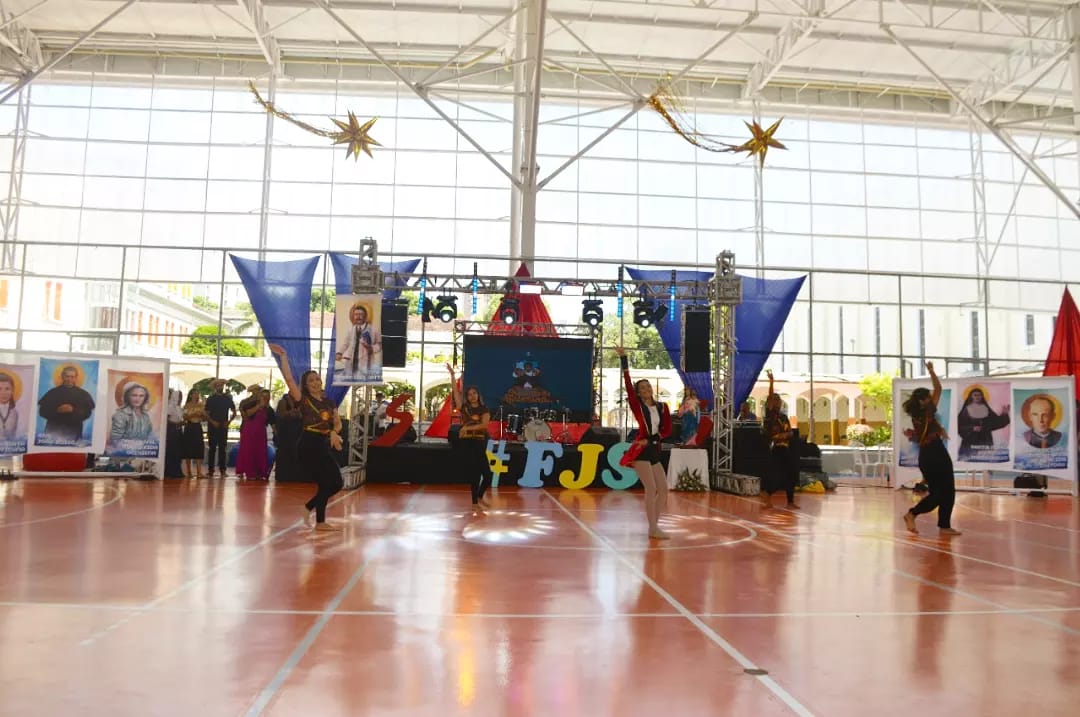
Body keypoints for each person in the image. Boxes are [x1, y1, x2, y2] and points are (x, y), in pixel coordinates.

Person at [270, 343, 343, 531]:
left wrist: (334, 432)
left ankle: (309, 509)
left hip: (322, 443)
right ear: (306, 385)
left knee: (336, 483)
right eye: (311, 380)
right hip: (308, 444)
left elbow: (337, 423)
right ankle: (319, 521)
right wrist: (283, 356)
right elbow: (288, 379)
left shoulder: (329, 402)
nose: (316, 382)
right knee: (327, 483)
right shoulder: (303, 400)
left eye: (317, 379)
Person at [616, 346, 671, 539]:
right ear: (638, 393)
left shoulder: (662, 407)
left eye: (648, 387)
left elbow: (667, 430)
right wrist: (624, 360)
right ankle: (653, 528)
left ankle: (654, 526)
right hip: (641, 450)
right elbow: (628, 385)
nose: (646, 389)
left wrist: (651, 440)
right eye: (642, 388)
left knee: (663, 489)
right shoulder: (637, 405)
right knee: (651, 488)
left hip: (653, 448)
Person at [901, 361, 961, 536]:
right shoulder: (926, 412)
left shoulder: (920, 414)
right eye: (928, 397)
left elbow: (937, 392)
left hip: (931, 454)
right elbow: (939, 389)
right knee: (940, 493)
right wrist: (931, 371)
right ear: (922, 401)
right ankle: (912, 514)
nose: (931, 399)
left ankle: (944, 526)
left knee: (947, 491)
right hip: (934, 454)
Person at [447, 363, 492, 511]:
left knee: (488, 475)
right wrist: (452, 375)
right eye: (469, 394)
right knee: (475, 472)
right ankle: (474, 503)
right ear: (467, 397)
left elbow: (483, 425)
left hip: (481, 441)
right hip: (468, 443)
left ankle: (479, 496)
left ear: (478, 395)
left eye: (474, 393)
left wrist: (466, 427)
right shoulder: (464, 407)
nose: (472, 396)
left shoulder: (484, 409)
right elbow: (455, 393)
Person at [760, 370, 799, 510]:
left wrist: (787, 435)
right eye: (775, 400)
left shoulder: (783, 417)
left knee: (791, 473)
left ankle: (790, 501)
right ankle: (767, 495)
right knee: (776, 474)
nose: (778, 402)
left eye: (779, 400)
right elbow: (770, 397)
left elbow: (790, 432)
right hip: (776, 448)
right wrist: (771, 382)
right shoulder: (771, 414)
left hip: (786, 447)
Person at [38, 364, 95, 443]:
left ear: (76, 378)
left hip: (74, 432)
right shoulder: (52, 393)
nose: (69, 379)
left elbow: (87, 413)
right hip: (53, 432)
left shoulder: (83, 394)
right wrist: (57, 410)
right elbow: (42, 411)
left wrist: (73, 410)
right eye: (67, 376)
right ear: (62, 376)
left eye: (72, 377)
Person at [956, 386, 1009, 460]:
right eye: (975, 395)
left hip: (985, 440)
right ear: (971, 397)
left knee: (985, 460)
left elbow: (996, 422)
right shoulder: (965, 410)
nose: (977, 397)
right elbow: (958, 426)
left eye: (979, 395)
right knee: (969, 460)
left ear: (982, 396)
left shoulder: (986, 409)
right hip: (970, 441)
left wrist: (1004, 414)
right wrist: (972, 428)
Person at [335, 302, 382, 380]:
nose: (358, 317)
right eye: (356, 314)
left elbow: (379, 345)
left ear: (366, 316)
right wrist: (339, 353)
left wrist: (371, 348)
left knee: (365, 380)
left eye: (361, 314)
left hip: (366, 362)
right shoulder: (350, 330)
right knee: (350, 379)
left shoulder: (374, 330)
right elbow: (345, 344)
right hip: (351, 362)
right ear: (353, 316)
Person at [236, 385, 272, 481]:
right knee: (249, 450)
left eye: (267, 396)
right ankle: (250, 472)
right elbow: (247, 414)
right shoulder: (250, 403)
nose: (265, 398)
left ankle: (260, 472)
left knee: (260, 451)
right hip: (250, 431)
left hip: (261, 433)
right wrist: (258, 406)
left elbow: (271, 421)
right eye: (263, 395)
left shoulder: (268, 408)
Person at [204, 378, 235, 478]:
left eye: (221, 385)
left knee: (222, 448)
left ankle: (223, 470)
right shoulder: (211, 399)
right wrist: (212, 422)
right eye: (218, 385)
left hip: (223, 427)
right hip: (213, 427)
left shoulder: (227, 398)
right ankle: (210, 470)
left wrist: (229, 422)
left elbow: (234, 412)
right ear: (215, 387)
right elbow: (206, 413)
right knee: (212, 448)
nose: (220, 387)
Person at [181, 388, 207, 479]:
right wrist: (193, 415)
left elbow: (204, 418)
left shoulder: (201, 405)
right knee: (188, 448)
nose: (197, 395)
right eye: (195, 393)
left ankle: (199, 472)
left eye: (198, 394)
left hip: (197, 427)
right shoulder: (186, 405)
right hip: (189, 427)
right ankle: (189, 472)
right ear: (191, 395)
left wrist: (202, 415)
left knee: (199, 448)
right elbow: (184, 417)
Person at [0, 372, 20, 441]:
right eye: (0, 389)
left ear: (12, 391)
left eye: (7, 389)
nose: (3, 393)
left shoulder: (15, 413)